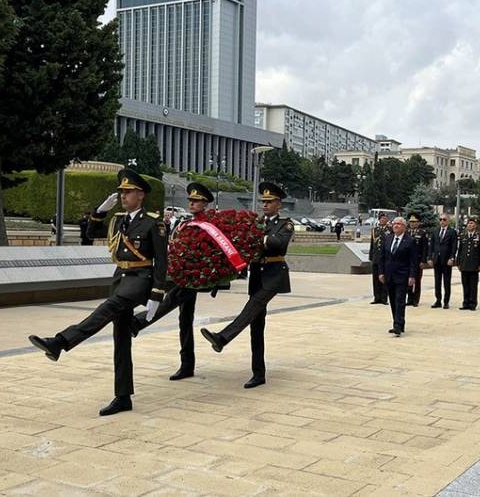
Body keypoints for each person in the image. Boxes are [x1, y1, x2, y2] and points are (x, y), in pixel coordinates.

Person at [27, 169, 167, 416]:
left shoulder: (153, 222)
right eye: (122, 192)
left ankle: (60, 342)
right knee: (121, 339)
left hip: (140, 280)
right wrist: (99, 213)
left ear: (141, 195)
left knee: (106, 309)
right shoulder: (118, 220)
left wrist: (156, 294)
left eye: (129, 192)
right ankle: (123, 397)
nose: (124, 196)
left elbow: (162, 262)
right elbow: (91, 234)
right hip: (120, 278)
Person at [200, 182, 293, 389]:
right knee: (256, 325)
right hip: (257, 275)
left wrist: (256, 237)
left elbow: (279, 244)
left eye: (269, 202)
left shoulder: (285, 224)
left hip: (274, 275)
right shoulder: (256, 222)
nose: (265, 205)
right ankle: (258, 374)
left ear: (279, 204)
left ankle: (223, 337)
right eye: (263, 201)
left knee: (251, 308)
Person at [130, 183, 219, 381]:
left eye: (196, 201)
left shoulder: (208, 225)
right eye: (190, 200)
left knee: (171, 300)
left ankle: (139, 322)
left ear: (205, 204)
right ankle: (187, 364)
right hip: (183, 275)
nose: (192, 203)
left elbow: (211, 251)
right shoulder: (185, 223)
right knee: (184, 320)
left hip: (195, 277)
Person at [378, 217, 418, 336]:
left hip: (402, 275)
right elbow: (382, 257)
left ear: (404, 227)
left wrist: (412, 276)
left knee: (400, 300)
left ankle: (398, 325)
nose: (396, 226)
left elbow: (413, 261)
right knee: (393, 300)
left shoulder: (410, 241)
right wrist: (381, 272)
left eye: (399, 224)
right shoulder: (388, 238)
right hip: (389, 275)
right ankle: (398, 322)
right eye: (394, 224)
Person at [429, 213, 458, 309]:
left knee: (446, 282)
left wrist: (452, 258)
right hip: (437, 260)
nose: (442, 221)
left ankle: (446, 301)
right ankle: (438, 300)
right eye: (440, 219)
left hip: (446, 261)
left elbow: (454, 246)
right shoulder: (435, 231)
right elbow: (431, 246)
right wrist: (429, 258)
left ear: (448, 221)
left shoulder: (452, 232)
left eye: (444, 219)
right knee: (437, 281)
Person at [457, 217, 480, 311]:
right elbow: (460, 250)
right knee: (465, 285)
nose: (470, 225)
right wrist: (458, 262)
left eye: (472, 223)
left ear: (475, 225)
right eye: (469, 224)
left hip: (474, 265)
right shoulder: (463, 236)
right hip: (464, 264)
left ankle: (473, 303)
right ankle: (465, 303)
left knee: (473, 285)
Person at [406, 214, 429, 307]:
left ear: (418, 223)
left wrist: (423, 261)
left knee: (417, 280)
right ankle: (409, 298)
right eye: (411, 222)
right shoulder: (406, 232)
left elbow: (425, 248)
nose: (412, 224)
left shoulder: (422, 233)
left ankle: (415, 299)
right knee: (407, 280)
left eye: (414, 222)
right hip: (407, 261)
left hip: (418, 260)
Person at [369, 213, 392, 305]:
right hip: (376, 257)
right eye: (382, 218)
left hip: (385, 258)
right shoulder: (375, 230)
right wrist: (371, 255)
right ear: (379, 219)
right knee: (375, 278)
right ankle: (376, 297)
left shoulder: (390, 230)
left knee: (383, 277)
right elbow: (372, 244)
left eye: (385, 218)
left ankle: (384, 297)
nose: (383, 220)